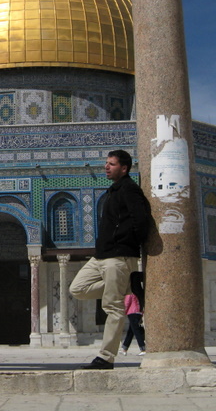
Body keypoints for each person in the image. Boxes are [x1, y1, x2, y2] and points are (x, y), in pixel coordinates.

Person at [69, 149, 150, 370]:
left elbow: (142, 221)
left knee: (113, 308)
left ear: (124, 168)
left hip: (119, 256)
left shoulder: (130, 190)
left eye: (111, 164)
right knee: (77, 288)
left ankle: (106, 357)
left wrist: (129, 243)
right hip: (102, 256)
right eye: (106, 163)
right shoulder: (113, 191)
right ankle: (128, 287)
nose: (106, 167)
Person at [122, 271, 146, 355]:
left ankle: (143, 348)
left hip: (132, 312)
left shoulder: (131, 291)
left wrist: (123, 312)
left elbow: (127, 303)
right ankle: (124, 348)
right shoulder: (140, 291)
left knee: (136, 331)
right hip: (139, 312)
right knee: (131, 331)